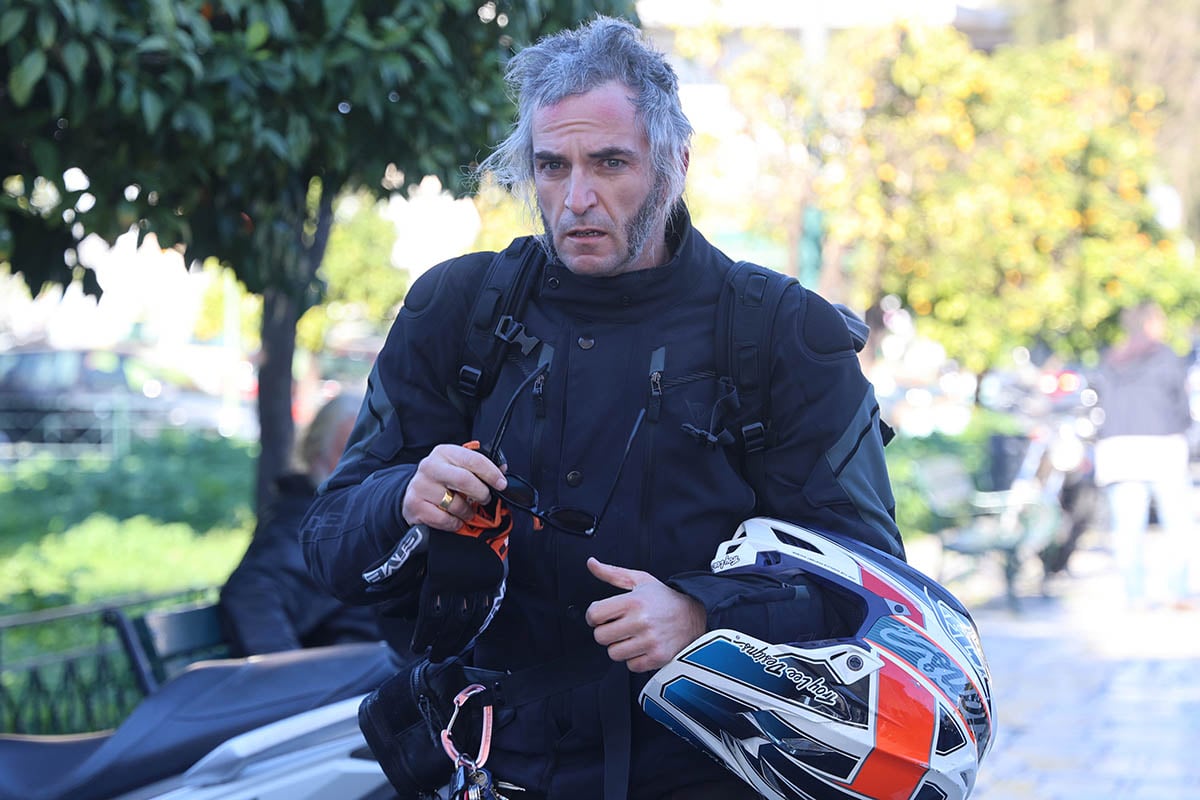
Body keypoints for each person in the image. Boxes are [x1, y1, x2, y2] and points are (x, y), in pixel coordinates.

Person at [301, 16, 902, 800]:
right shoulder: (457, 309)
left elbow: (871, 587)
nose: (577, 198)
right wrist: (402, 500)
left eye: (610, 163)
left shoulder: (783, 332)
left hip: (708, 773)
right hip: (498, 767)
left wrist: (704, 618)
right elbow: (327, 546)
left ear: (675, 163)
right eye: (552, 167)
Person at [220, 392, 381, 656]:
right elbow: (250, 591)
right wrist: (294, 674)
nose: (368, 466)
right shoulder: (304, 522)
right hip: (349, 672)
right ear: (316, 455)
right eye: (351, 452)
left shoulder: (356, 518)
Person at [1092, 301, 1195, 610]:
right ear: (1150, 323)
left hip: (1119, 451)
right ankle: (1177, 591)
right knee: (1177, 524)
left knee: (1128, 528)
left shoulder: (1111, 359)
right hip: (1162, 448)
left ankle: (1135, 596)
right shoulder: (1166, 357)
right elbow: (1181, 407)